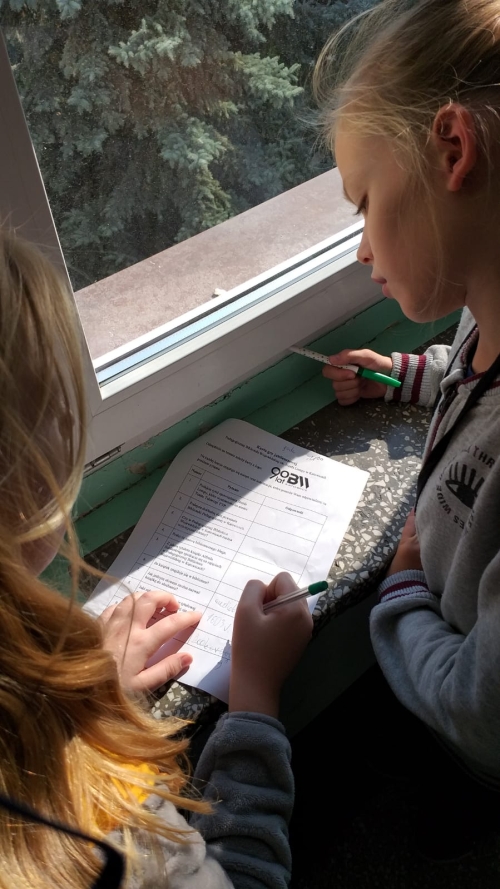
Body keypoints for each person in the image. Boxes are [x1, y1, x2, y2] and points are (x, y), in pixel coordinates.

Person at [0, 227, 313, 888]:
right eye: (54, 408)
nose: (70, 425)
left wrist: (97, 695)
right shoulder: (102, 832)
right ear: (20, 470)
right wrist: (255, 700)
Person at [314, 0, 500, 858]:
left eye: (364, 201)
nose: (362, 247)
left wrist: (399, 590)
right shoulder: (482, 307)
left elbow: (482, 711)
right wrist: (403, 373)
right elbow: (472, 375)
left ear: (452, 149)